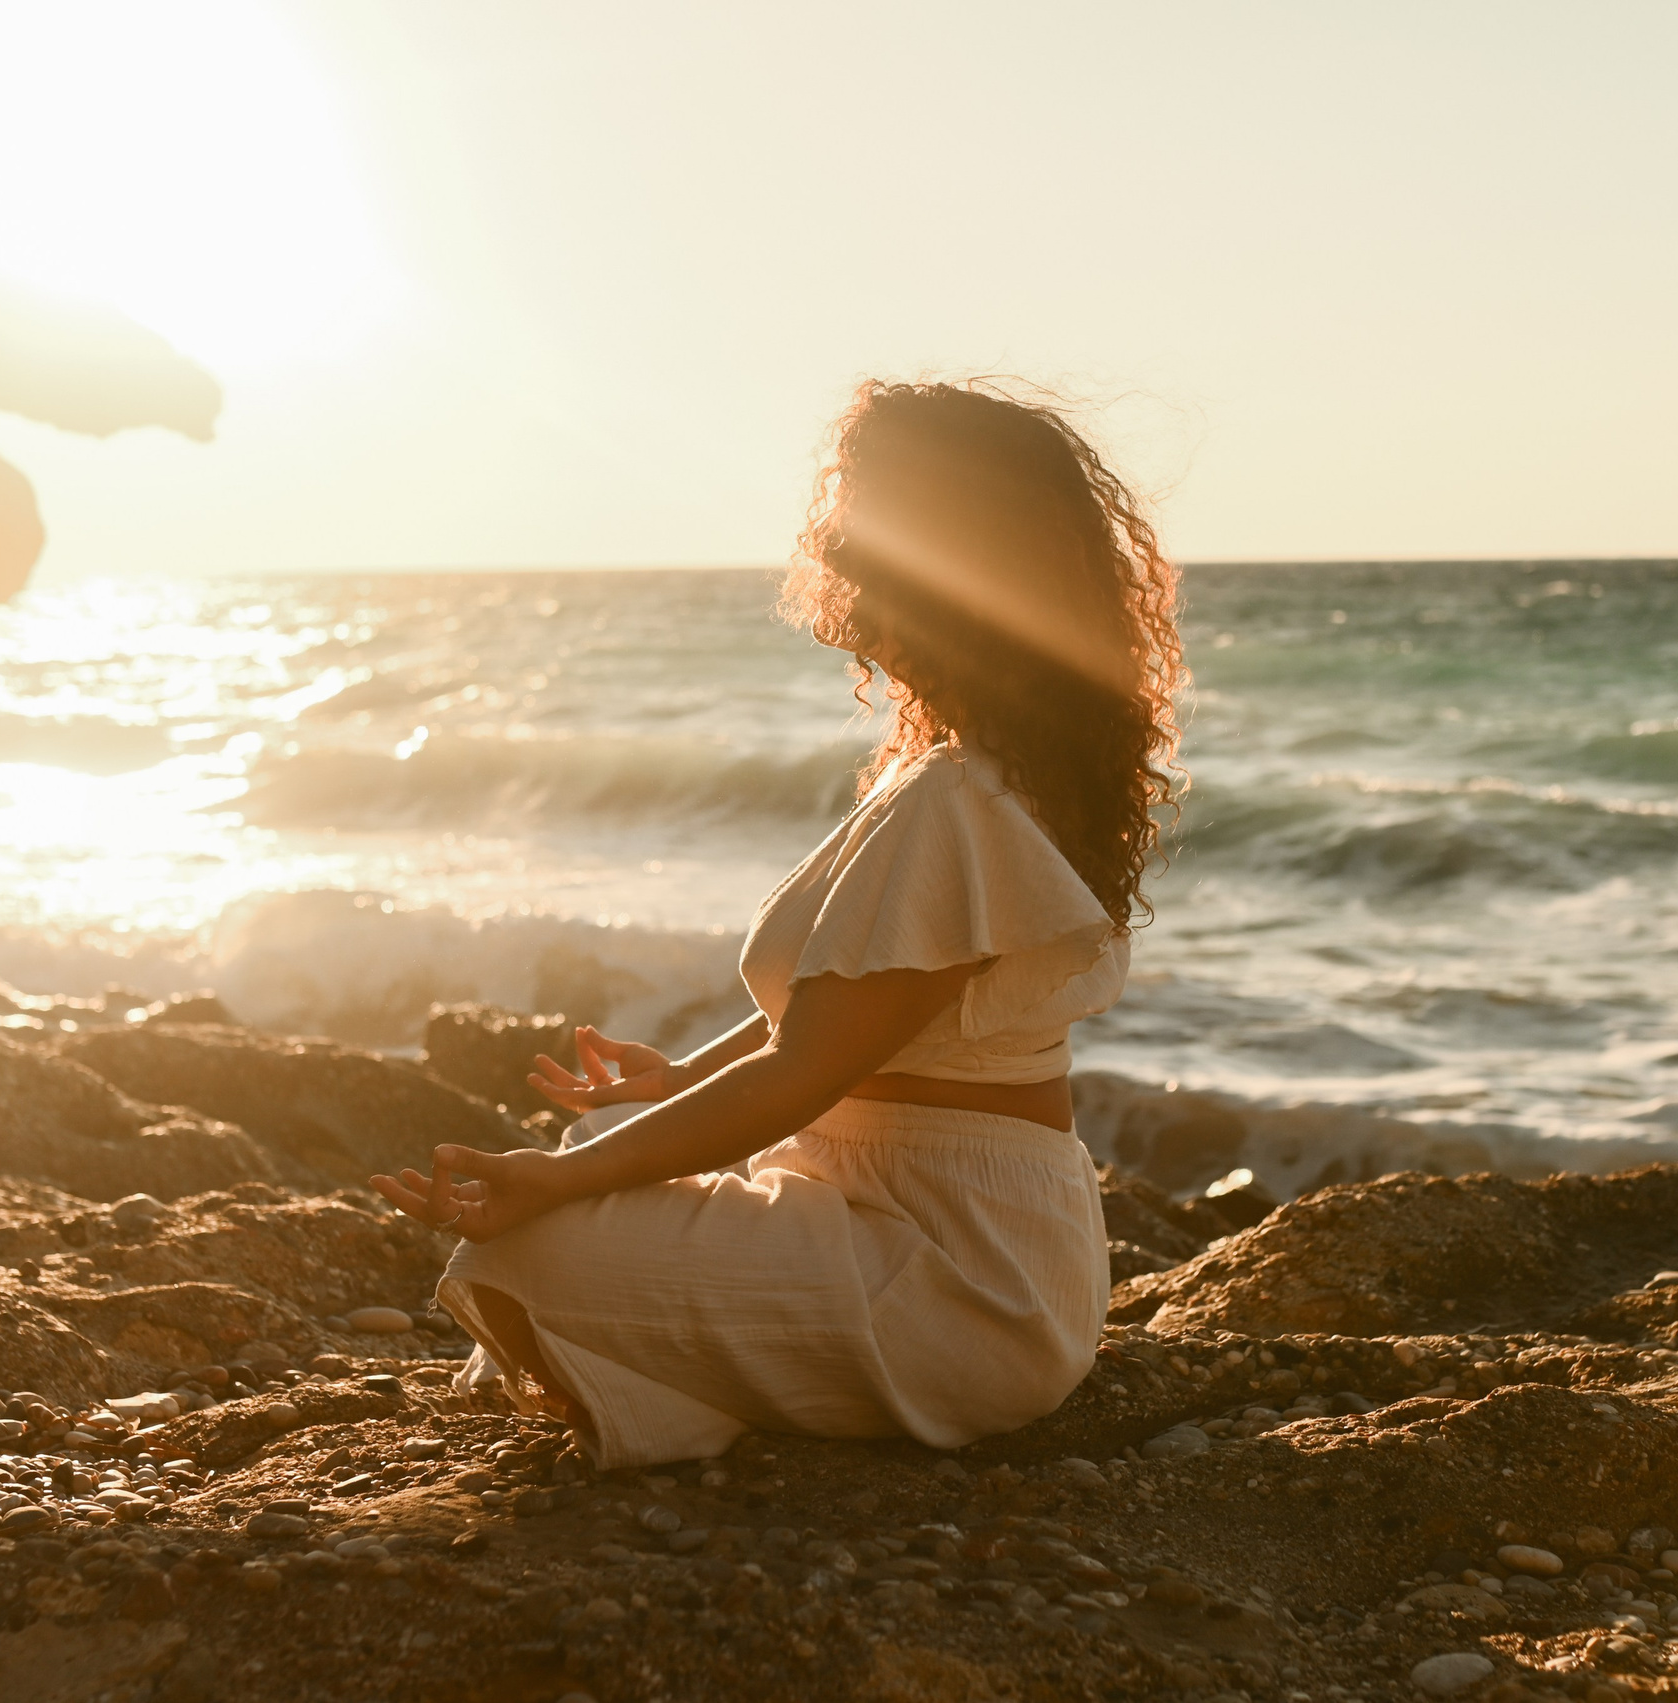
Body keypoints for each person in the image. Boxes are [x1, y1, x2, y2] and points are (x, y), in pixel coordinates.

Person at [372, 379, 1187, 1468]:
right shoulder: (974, 776)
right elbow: (843, 1025)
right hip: (952, 1230)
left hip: (957, 1280)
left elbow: (802, 1074)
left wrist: (558, 1184)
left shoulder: (961, 800)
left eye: (861, 519)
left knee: (544, 1223)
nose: (835, 551)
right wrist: (671, 1084)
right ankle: (710, 1388)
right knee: (581, 1155)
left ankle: (709, 1396)